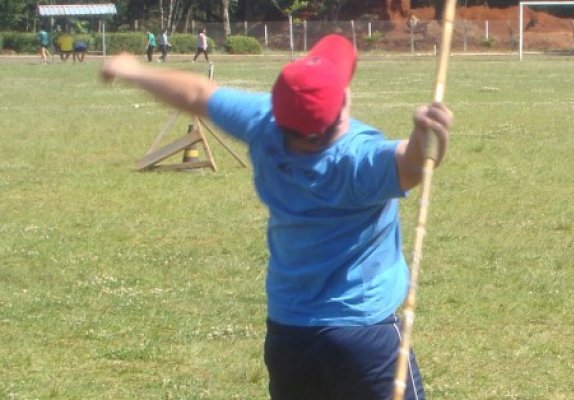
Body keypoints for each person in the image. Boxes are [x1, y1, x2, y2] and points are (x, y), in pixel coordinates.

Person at [100, 34, 452, 399]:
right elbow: (411, 166)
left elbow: (194, 93)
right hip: (363, 338)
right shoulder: (355, 161)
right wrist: (427, 136)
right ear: (343, 107)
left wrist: (132, 70)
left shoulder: (265, 126)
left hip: (289, 335)